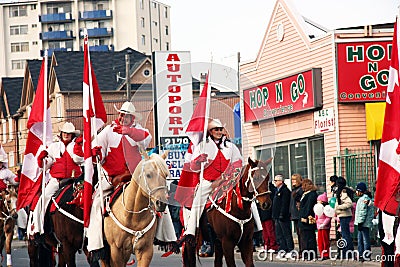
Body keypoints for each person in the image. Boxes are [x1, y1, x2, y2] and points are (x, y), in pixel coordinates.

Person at [87, 102, 177, 259]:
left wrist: (128, 132)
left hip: (136, 176)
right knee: (96, 203)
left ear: (132, 117)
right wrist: (97, 153)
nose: (123, 117)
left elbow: (146, 138)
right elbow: (97, 152)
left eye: (127, 115)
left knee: (160, 198)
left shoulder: (139, 131)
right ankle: (95, 245)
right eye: (121, 114)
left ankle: (167, 237)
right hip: (112, 177)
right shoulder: (108, 131)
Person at [181, 118, 243, 243]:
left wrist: (227, 178)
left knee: (246, 197)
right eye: (216, 129)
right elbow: (193, 167)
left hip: (227, 180)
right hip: (208, 181)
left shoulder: (230, 146)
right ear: (210, 131)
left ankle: (256, 228)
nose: (219, 132)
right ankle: (191, 231)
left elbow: (238, 163)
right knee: (198, 201)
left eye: (220, 129)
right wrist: (198, 161)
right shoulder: (202, 146)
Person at [29, 122, 83, 237]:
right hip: (57, 181)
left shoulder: (76, 146)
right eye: (64, 132)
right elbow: (46, 166)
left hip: (74, 181)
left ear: (73, 135)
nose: (66, 135)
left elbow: (79, 160)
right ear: (61, 133)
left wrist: (78, 148)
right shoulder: (54, 147)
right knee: (43, 200)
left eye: (69, 133)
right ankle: (38, 228)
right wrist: (42, 158)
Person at [271, 174, 294, 259]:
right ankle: (282, 249)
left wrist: (282, 214)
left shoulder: (285, 191)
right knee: (279, 234)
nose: (275, 182)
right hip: (277, 216)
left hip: (283, 216)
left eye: (276, 181)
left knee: (286, 233)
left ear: (281, 181)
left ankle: (290, 250)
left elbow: (284, 204)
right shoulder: (277, 191)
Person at [334, 176, 354, 258]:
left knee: (346, 235)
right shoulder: (342, 191)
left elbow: (349, 203)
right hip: (343, 215)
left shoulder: (343, 192)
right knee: (345, 234)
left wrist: (339, 207)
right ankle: (347, 251)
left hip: (345, 215)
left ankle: (348, 252)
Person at [297, 178, 318, 260]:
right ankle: (305, 253)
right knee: (304, 237)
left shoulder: (312, 194)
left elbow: (308, 206)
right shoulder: (305, 193)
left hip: (308, 218)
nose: (302, 187)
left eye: (303, 185)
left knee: (309, 237)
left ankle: (311, 254)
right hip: (302, 218)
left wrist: (304, 216)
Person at [257, 180, 279, 253]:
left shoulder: (271, 190)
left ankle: (273, 245)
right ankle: (266, 245)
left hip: (268, 213)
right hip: (262, 214)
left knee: (270, 231)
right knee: (265, 232)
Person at [354, 182, 374, 262]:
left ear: (360, 191)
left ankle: (365, 255)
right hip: (363, 223)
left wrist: (360, 222)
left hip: (363, 223)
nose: (356, 192)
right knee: (361, 239)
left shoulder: (363, 199)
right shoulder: (364, 198)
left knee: (364, 239)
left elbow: (362, 212)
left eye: (357, 190)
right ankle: (362, 254)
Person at [315, 192, 331, 260]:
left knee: (325, 241)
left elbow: (328, 217)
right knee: (320, 241)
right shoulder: (318, 209)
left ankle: (326, 254)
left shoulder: (326, 209)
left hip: (325, 227)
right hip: (319, 226)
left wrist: (324, 224)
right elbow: (316, 217)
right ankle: (321, 253)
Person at [290, 173, 303, 252]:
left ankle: (302, 249)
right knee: (298, 233)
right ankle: (301, 249)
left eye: (294, 180)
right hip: (294, 213)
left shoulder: (300, 189)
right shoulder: (293, 190)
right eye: (292, 180)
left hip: (298, 214)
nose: (293, 181)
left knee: (301, 233)